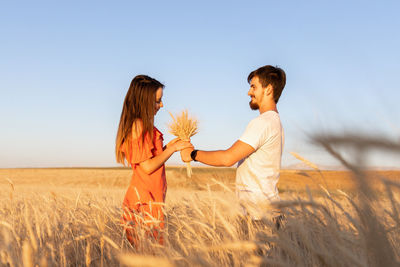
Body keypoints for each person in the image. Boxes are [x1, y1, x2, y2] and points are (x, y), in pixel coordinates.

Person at [181, 65, 286, 221]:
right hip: (265, 214)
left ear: (268, 89)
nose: (249, 92)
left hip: (260, 217)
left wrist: (192, 154)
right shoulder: (274, 122)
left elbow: (227, 158)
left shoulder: (263, 123)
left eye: (253, 87)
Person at [115, 75, 192, 246]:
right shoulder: (138, 126)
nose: (162, 105)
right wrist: (172, 149)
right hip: (143, 203)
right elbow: (148, 167)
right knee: (149, 255)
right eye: (158, 101)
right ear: (144, 101)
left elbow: (150, 160)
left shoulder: (145, 126)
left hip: (152, 202)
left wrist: (168, 147)